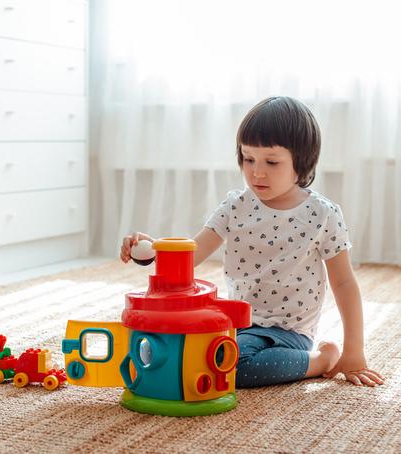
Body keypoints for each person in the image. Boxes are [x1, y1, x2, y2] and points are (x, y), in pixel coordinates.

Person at [120, 96, 384, 387]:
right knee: (158, 351)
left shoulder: (323, 214)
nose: (257, 172)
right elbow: (190, 255)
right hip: (235, 321)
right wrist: (150, 248)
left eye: (272, 162)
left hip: (289, 331)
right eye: (248, 159)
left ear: (302, 161)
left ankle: (321, 359)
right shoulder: (236, 206)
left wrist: (354, 351)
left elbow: (344, 283)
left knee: (231, 367)